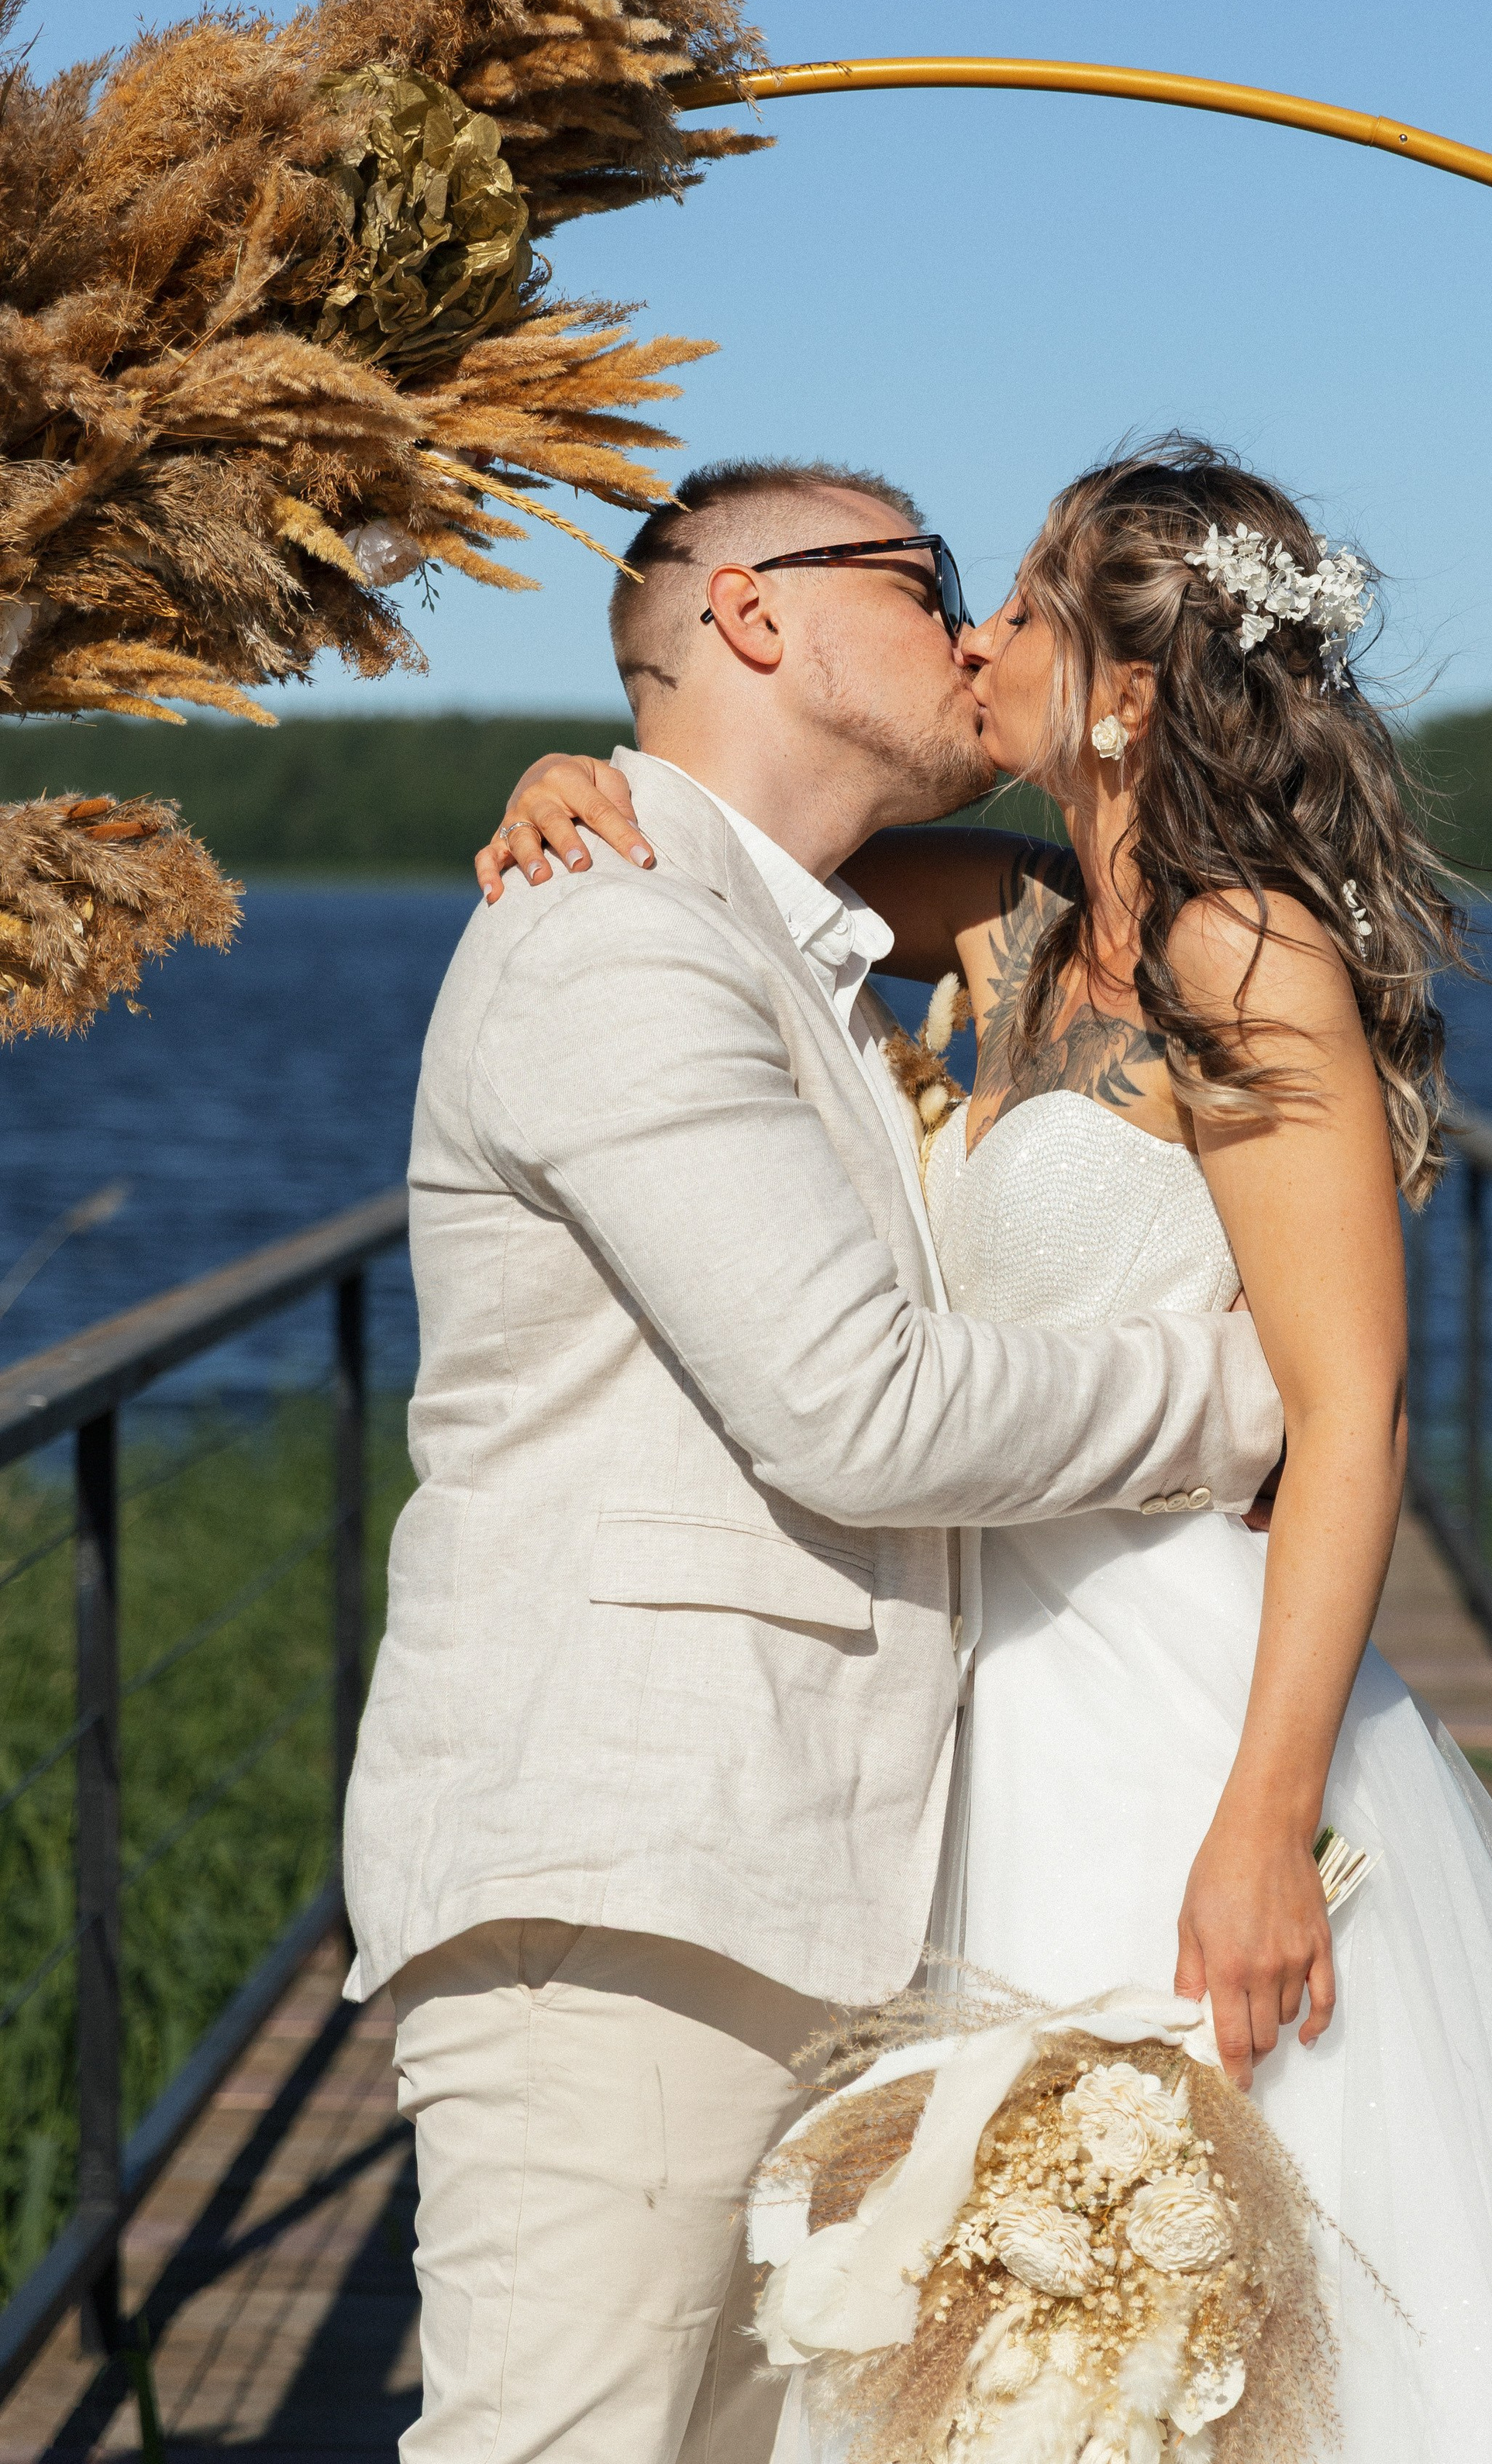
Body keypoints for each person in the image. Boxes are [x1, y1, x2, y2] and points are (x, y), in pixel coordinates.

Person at [484, 438, 1492, 2462]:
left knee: (1211, 2276)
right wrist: (557, 784)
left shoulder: (1247, 958)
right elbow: (750, 859)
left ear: (1122, 694)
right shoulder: (1026, 935)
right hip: (981, 1693)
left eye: (1023, 606)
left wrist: (1266, 1818)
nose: (977, 637)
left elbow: (1352, 1413)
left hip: (1175, 1700)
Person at [343, 455, 1290, 2464]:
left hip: (816, 1890)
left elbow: (1119, 937)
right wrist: (1234, 1396)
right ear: (754, 612)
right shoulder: (616, 938)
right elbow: (855, 1405)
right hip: (634, 1886)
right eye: (924, 573)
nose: (967, 627)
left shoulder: (815, 955)